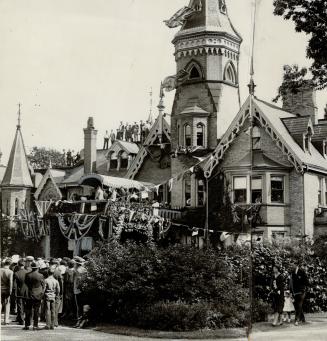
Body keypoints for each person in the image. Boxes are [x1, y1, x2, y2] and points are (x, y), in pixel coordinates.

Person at [24, 261, 45, 331]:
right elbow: (43, 285)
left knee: (28, 310)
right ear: (38, 268)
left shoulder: (27, 275)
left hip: (30, 294)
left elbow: (26, 283)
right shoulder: (41, 275)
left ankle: (27, 325)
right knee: (36, 311)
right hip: (38, 295)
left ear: (31, 267)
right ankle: (35, 326)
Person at [290, 259, 308, 326]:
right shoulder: (292, 272)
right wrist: (291, 291)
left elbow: (306, 281)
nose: (291, 266)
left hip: (301, 291)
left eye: (292, 264)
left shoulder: (302, 271)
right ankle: (302, 318)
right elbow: (292, 283)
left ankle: (296, 319)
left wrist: (303, 289)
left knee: (299, 304)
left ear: (296, 264)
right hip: (295, 291)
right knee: (296, 305)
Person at [13, 259, 28, 325]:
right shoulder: (28, 272)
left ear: (18, 265)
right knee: (27, 306)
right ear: (24, 265)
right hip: (27, 291)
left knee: (20, 306)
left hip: (19, 291)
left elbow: (15, 285)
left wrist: (15, 292)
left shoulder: (16, 273)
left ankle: (21, 320)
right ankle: (27, 319)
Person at [73, 256, 87, 322]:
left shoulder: (77, 271)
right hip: (83, 290)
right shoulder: (84, 270)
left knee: (79, 307)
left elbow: (79, 280)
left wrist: (78, 286)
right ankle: (82, 321)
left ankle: (79, 321)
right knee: (82, 306)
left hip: (78, 290)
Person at [1, 258, 14, 325]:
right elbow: (11, 282)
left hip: (0, 288)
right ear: (10, 264)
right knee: (7, 304)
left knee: (0, 304)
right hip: (6, 289)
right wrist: (11, 290)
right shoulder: (10, 272)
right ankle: (6, 320)